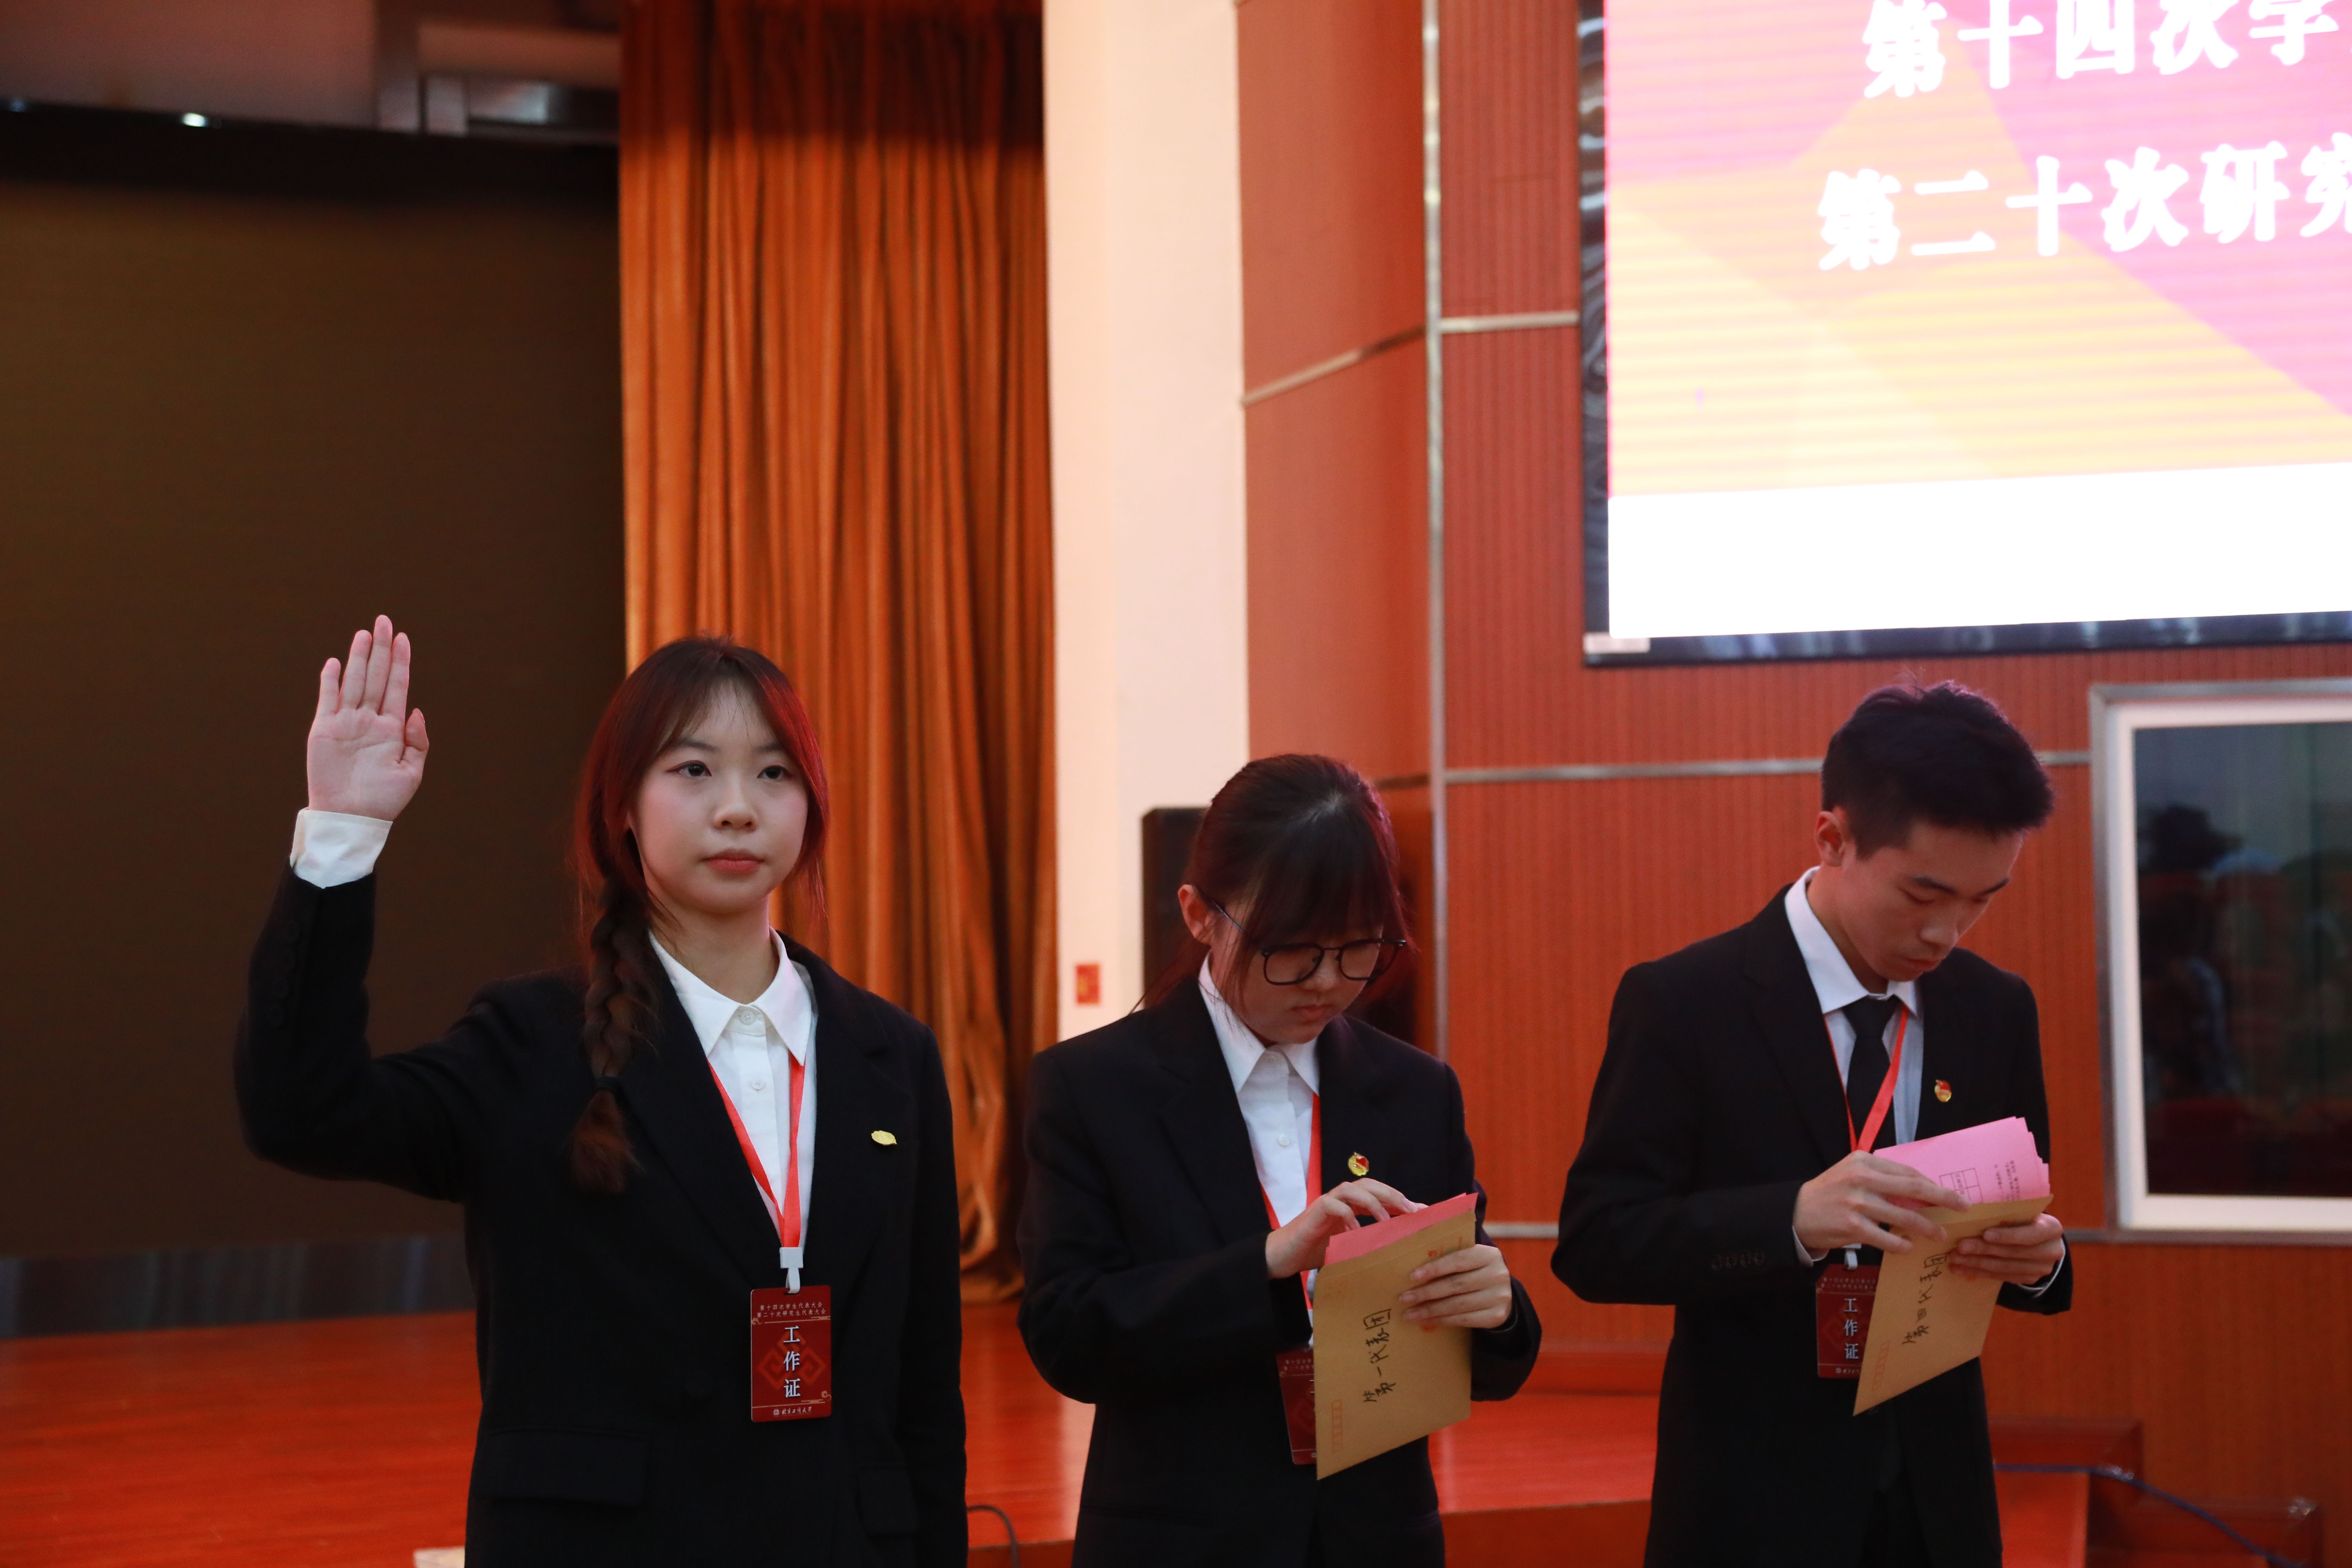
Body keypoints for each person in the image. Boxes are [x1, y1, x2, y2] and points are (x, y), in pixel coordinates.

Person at [236, 618, 966, 1567]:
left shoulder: (891, 1054)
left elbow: (924, 1384)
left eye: (774, 773)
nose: (737, 808)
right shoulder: (530, 1042)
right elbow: (302, 1112)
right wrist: (343, 833)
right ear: (622, 805)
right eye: (693, 770)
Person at [1553, 680, 2072, 1568]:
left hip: (1935, 1495)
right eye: (1922, 892)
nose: (1947, 932)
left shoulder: (1995, 1008)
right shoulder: (1687, 1001)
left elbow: (2027, 1231)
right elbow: (1598, 1242)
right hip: (1755, 1494)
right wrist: (1789, 1218)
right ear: (1832, 838)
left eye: (1982, 899)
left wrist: (2043, 1261)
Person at [1018, 754, 1541, 1568]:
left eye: (1359, 948)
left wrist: (1499, 1310)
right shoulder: (1093, 1087)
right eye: (1292, 951)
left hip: (1373, 1535)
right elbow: (1069, 1334)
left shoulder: (1415, 1090)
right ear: (1200, 914)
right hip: (1182, 1536)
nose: (1328, 983)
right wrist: (1268, 1261)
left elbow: (1477, 1354)